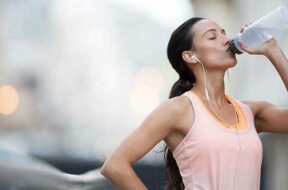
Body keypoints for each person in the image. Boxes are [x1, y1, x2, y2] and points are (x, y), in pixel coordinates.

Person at [100, 17, 288, 190]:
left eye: (223, 32)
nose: (226, 39)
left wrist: (274, 52)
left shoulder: (250, 111)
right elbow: (115, 165)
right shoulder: (179, 109)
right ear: (190, 56)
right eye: (212, 37)